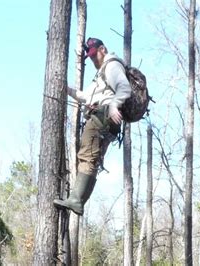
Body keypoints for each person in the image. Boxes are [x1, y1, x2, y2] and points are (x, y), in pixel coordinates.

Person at [53, 37, 132, 215]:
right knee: (91, 159)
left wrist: (113, 105)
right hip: (104, 118)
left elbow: (124, 88)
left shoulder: (111, 66)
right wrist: (66, 89)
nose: (93, 59)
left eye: (94, 55)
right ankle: (78, 201)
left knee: (87, 157)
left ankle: (76, 200)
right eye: (90, 57)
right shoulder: (103, 72)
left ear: (102, 49)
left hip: (102, 117)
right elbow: (85, 96)